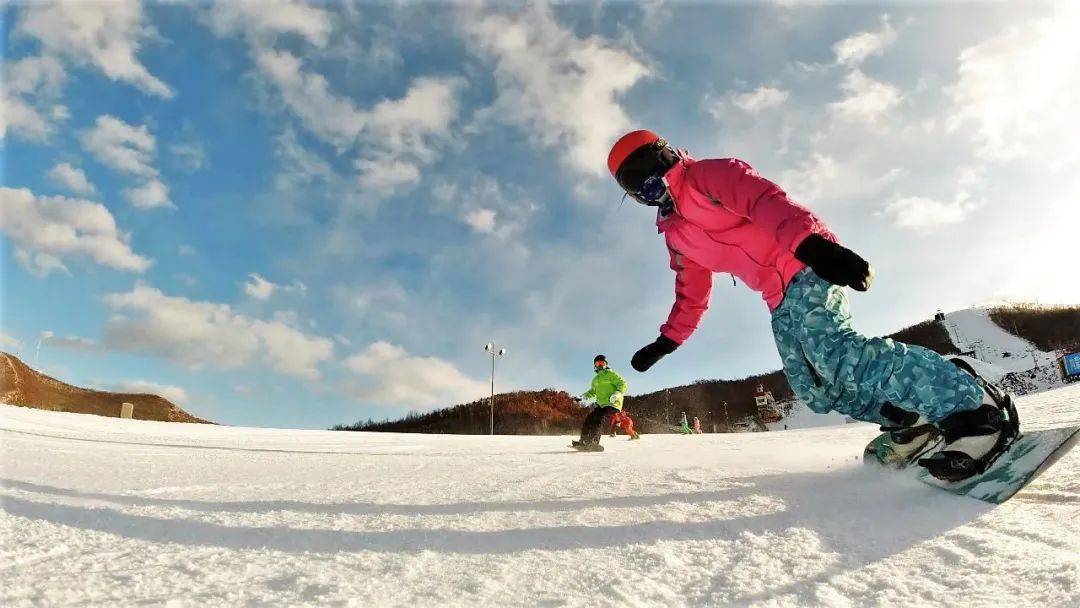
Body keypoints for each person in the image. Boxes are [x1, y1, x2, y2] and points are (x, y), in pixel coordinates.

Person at [607, 129, 1018, 481]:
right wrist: (667, 341)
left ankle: (970, 406)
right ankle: (911, 421)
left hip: (805, 263)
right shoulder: (676, 235)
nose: (649, 190)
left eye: (649, 175)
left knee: (835, 353)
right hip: (778, 299)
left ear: (664, 156)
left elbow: (767, 202)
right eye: (636, 189)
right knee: (816, 388)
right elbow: (691, 292)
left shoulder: (708, 175)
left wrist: (813, 245)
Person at [572, 355, 628, 451]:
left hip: (612, 403)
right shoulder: (595, 380)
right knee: (589, 419)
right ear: (594, 365)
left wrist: (617, 394)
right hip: (601, 405)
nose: (600, 365)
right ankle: (583, 441)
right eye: (597, 364)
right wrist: (582, 397)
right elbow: (592, 392)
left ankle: (594, 442)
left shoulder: (612, 375)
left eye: (602, 363)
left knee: (599, 419)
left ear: (606, 364)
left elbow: (623, 384)